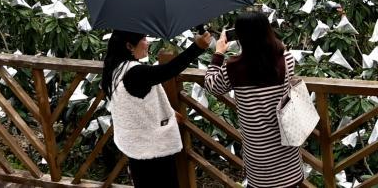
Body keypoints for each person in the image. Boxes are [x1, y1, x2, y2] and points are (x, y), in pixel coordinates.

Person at [204, 12, 304, 188]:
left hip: (258, 152)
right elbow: (277, 52)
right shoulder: (285, 59)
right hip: (286, 144)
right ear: (268, 31)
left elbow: (212, 85)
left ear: (241, 37)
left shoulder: (233, 68)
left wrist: (218, 53)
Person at [101, 30, 212, 188]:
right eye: (144, 39)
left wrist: (167, 112)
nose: (148, 42)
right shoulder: (135, 72)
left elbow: (135, 102)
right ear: (129, 46)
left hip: (135, 145)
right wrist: (198, 47)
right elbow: (169, 70)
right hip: (153, 148)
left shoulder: (115, 68)